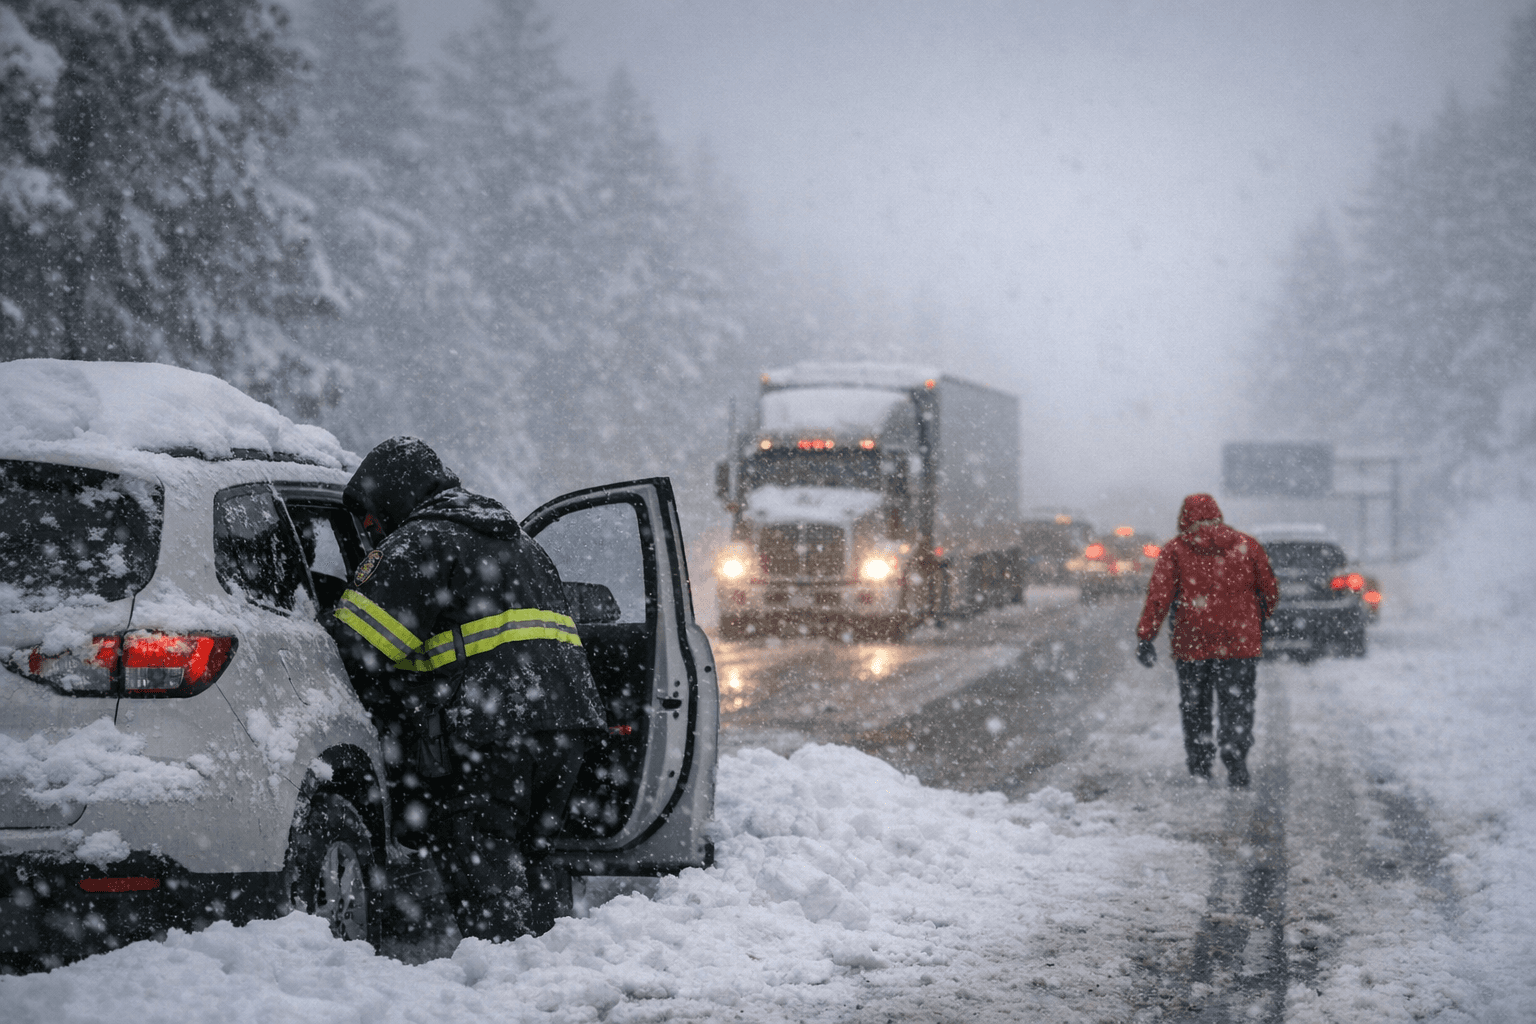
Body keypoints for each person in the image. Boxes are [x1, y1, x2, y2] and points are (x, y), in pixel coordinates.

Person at [326, 436, 605, 939]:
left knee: (479, 849)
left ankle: (505, 975)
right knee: (531, 851)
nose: (369, 532)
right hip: (567, 723)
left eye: (369, 518)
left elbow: (358, 645)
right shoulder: (520, 542)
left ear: (389, 496)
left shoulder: (420, 543)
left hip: (495, 726)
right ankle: (545, 957)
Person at [1134, 493, 1279, 788]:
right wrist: (1258, 620)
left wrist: (1146, 637)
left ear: (1185, 519)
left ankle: (1200, 763)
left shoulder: (1176, 550)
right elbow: (1269, 591)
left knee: (1195, 705)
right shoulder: (1246, 546)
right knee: (1237, 703)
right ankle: (1236, 760)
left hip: (1193, 642)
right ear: (1218, 515)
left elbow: (1159, 598)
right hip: (1239, 644)